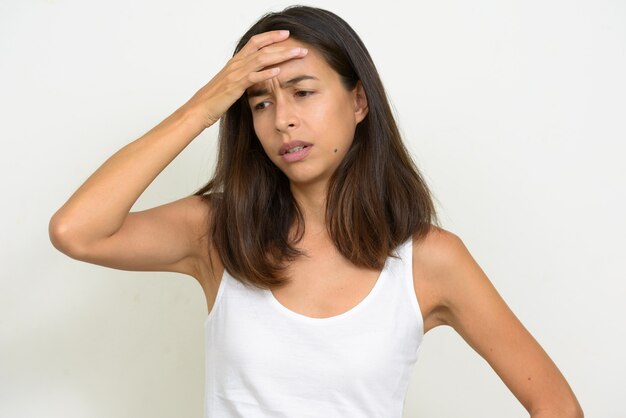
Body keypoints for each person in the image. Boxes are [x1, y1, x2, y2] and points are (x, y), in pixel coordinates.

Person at [49, 5, 583, 418]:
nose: (282, 119)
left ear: (358, 102)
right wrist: (208, 103)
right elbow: (77, 231)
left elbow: (558, 406)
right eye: (259, 102)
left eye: (303, 92)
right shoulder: (217, 231)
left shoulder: (430, 259)